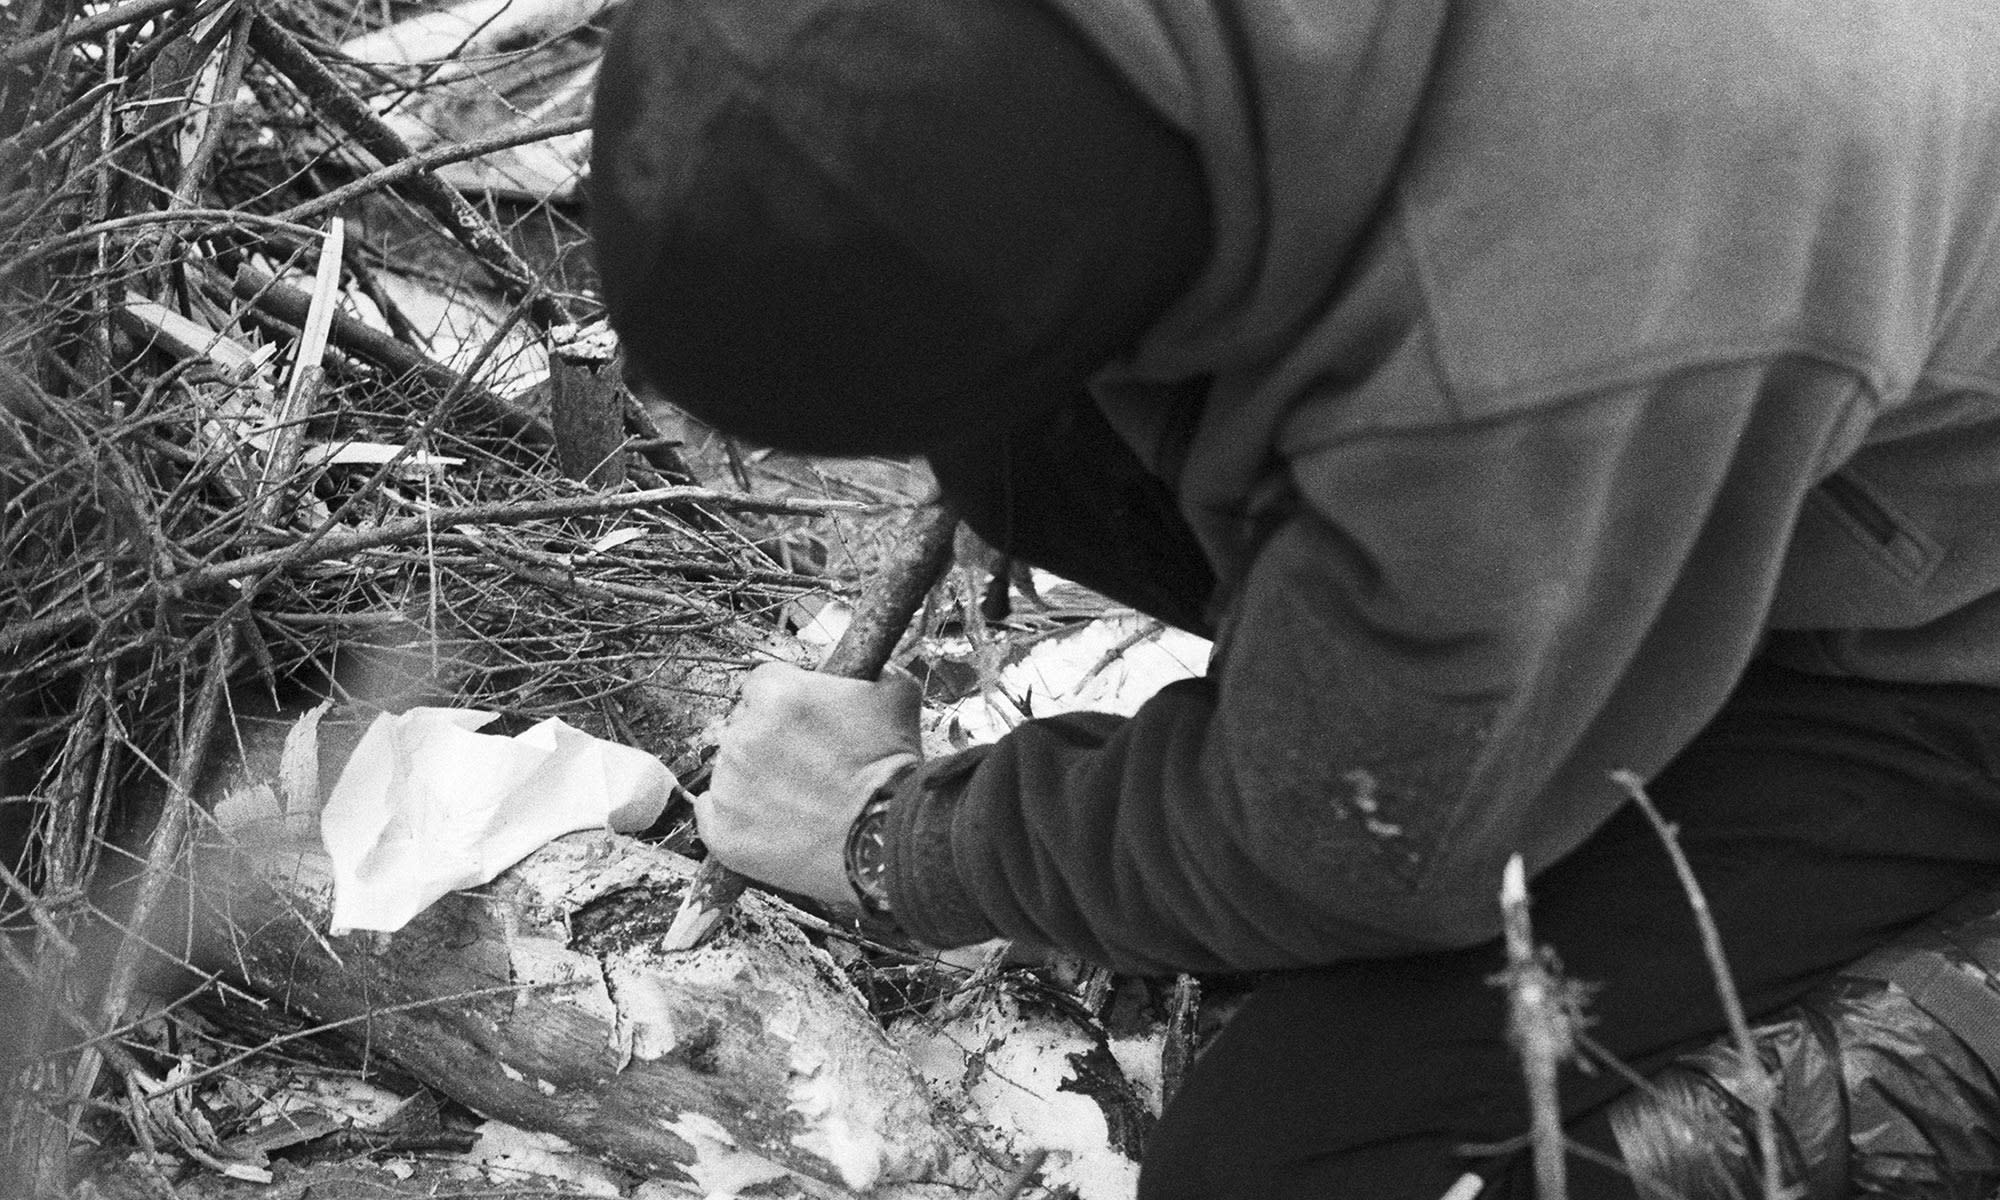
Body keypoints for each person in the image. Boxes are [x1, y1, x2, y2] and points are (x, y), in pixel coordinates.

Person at [587, 0, 2000, 1195]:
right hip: (1756, 399)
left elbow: (1357, 854)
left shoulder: (1532, 319)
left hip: (1931, 660)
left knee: (1292, 1162)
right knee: (1029, 451)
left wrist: (895, 837)